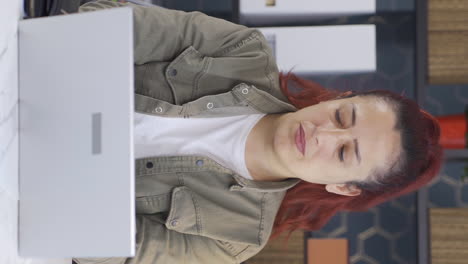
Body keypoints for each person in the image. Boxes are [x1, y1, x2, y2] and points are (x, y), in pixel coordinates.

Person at [73, 1, 443, 264]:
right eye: (342, 116)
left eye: (345, 153)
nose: (322, 135)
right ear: (339, 97)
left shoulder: (236, 238)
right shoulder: (241, 50)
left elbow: (109, 252)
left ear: (344, 187)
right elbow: (101, 24)